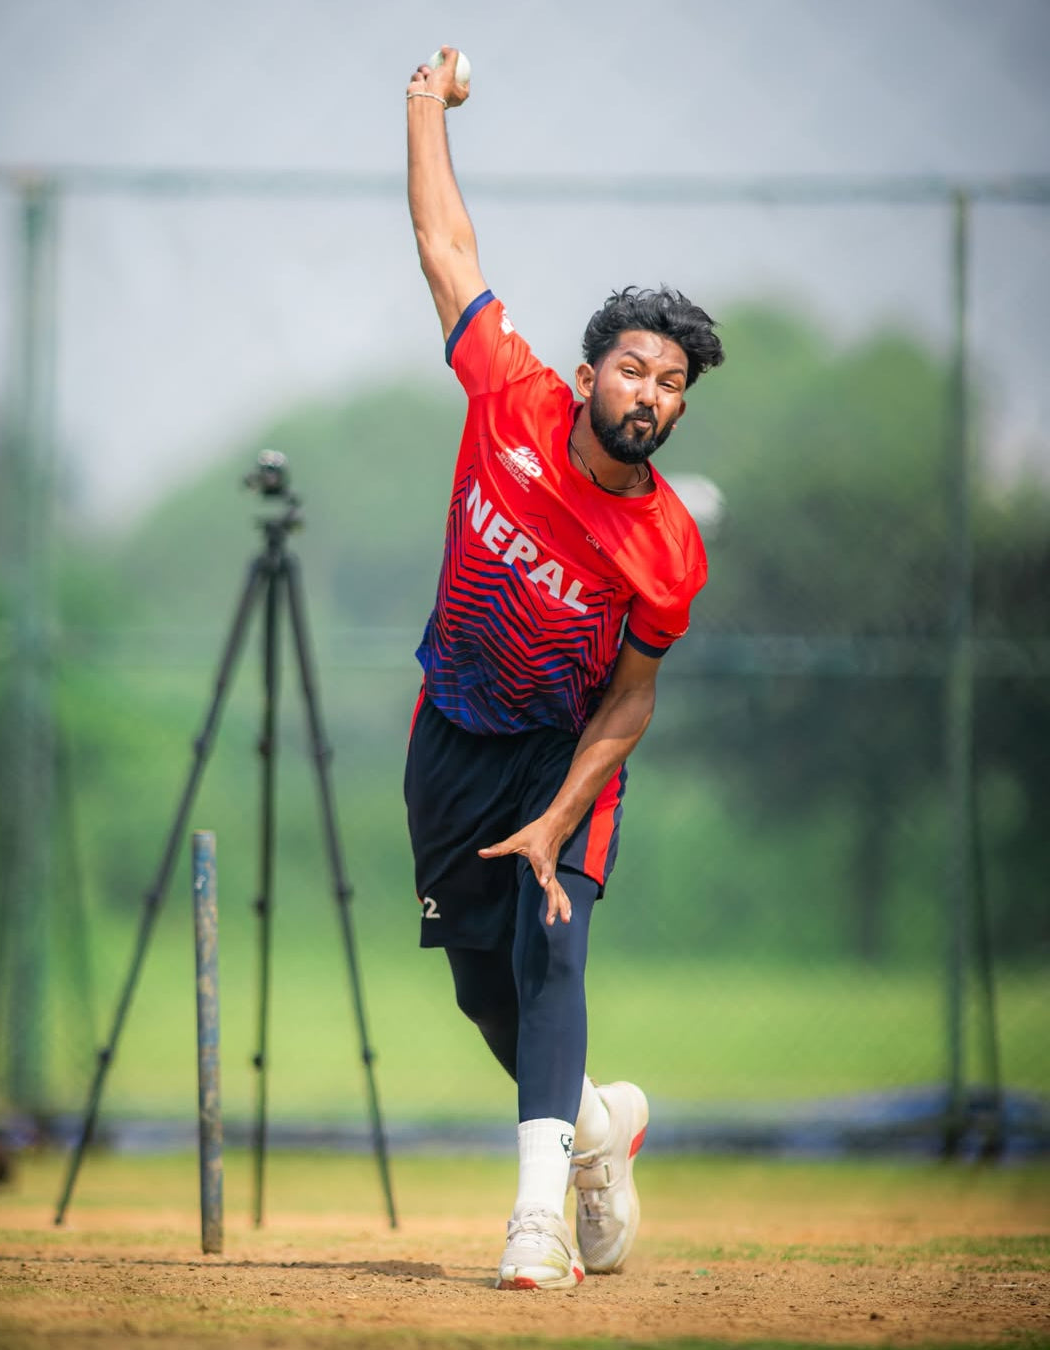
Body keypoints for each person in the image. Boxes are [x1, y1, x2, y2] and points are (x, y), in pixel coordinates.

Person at [403, 48, 725, 1291]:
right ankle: (599, 1130)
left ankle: (536, 1223)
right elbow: (446, 250)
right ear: (591, 376)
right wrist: (426, 106)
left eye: (673, 384)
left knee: (553, 958)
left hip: (562, 752)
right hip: (450, 733)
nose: (649, 394)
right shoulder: (509, 396)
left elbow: (632, 698)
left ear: (680, 410)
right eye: (635, 369)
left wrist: (558, 816)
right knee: (486, 995)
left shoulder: (666, 550)